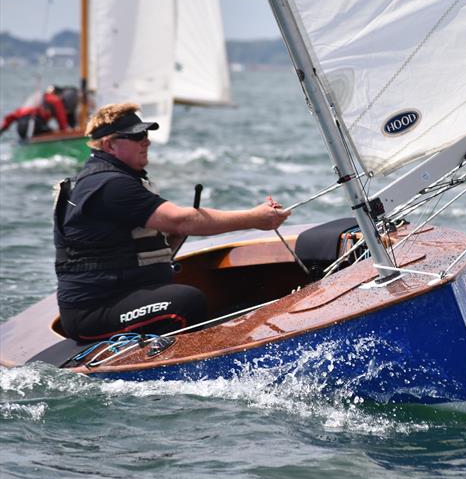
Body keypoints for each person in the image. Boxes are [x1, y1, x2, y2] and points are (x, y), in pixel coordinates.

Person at [53, 102, 291, 343]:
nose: (146, 141)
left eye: (145, 134)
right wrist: (255, 218)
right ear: (109, 144)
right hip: (94, 312)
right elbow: (181, 220)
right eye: (136, 136)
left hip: (121, 295)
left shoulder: (113, 179)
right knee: (186, 301)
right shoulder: (108, 185)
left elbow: (131, 246)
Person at [0, 86, 72, 139]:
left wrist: (2, 129)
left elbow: (11, 117)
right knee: (51, 133)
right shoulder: (55, 99)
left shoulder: (33, 101)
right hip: (35, 124)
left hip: (21, 128)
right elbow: (61, 118)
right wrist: (65, 132)